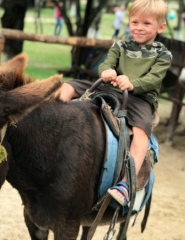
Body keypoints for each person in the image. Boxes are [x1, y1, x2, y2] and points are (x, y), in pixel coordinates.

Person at [58, 0, 172, 206]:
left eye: (146, 23)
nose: (139, 27)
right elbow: (107, 63)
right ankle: (52, 124)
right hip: (110, 88)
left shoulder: (162, 54)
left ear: (160, 27)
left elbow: (154, 79)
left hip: (140, 98)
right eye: (135, 22)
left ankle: (126, 184)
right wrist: (107, 71)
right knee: (68, 86)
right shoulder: (120, 45)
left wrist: (133, 83)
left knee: (141, 131)